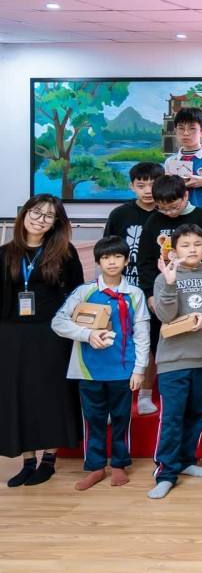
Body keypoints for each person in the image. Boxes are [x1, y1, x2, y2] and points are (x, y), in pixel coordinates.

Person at [51, 235, 148, 490]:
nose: (112, 262)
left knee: (120, 418)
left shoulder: (135, 294)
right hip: (89, 370)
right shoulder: (84, 291)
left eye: (117, 256)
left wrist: (139, 369)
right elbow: (58, 322)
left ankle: (118, 464)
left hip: (123, 370)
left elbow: (142, 334)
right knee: (92, 420)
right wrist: (87, 334)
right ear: (97, 262)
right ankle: (95, 467)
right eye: (106, 257)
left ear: (126, 260)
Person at [148, 223, 202, 499]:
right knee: (173, 417)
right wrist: (171, 284)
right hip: (173, 358)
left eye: (197, 244)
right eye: (185, 245)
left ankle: (186, 460)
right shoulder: (165, 276)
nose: (192, 249)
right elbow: (164, 314)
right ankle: (165, 472)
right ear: (174, 249)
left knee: (198, 414)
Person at [2, 196, 85, 487]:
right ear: (24, 214)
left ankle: (49, 459)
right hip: (13, 334)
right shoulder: (6, 253)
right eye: (36, 212)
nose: (40, 219)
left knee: (53, 394)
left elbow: (76, 295)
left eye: (49, 216)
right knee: (19, 396)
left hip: (52, 333)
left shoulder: (65, 253)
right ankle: (27, 460)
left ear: (55, 224)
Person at [133, 175, 202, 416]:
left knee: (198, 332)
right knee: (157, 338)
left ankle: (201, 404)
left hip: (199, 286)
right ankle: (146, 393)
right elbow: (144, 260)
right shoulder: (154, 219)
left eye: (173, 207)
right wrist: (149, 295)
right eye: (162, 208)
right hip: (164, 287)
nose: (169, 213)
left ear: (185, 196)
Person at [103, 160, 164, 289]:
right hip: (126, 283)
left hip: (161, 283)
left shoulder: (168, 214)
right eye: (141, 186)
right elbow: (107, 248)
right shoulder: (119, 214)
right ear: (132, 186)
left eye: (152, 185)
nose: (147, 191)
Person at [163, 106, 202, 218]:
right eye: (181, 128)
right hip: (177, 220)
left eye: (192, 128)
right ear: (175, 131)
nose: (186, 133)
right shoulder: (170, 161)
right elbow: (166, 197)